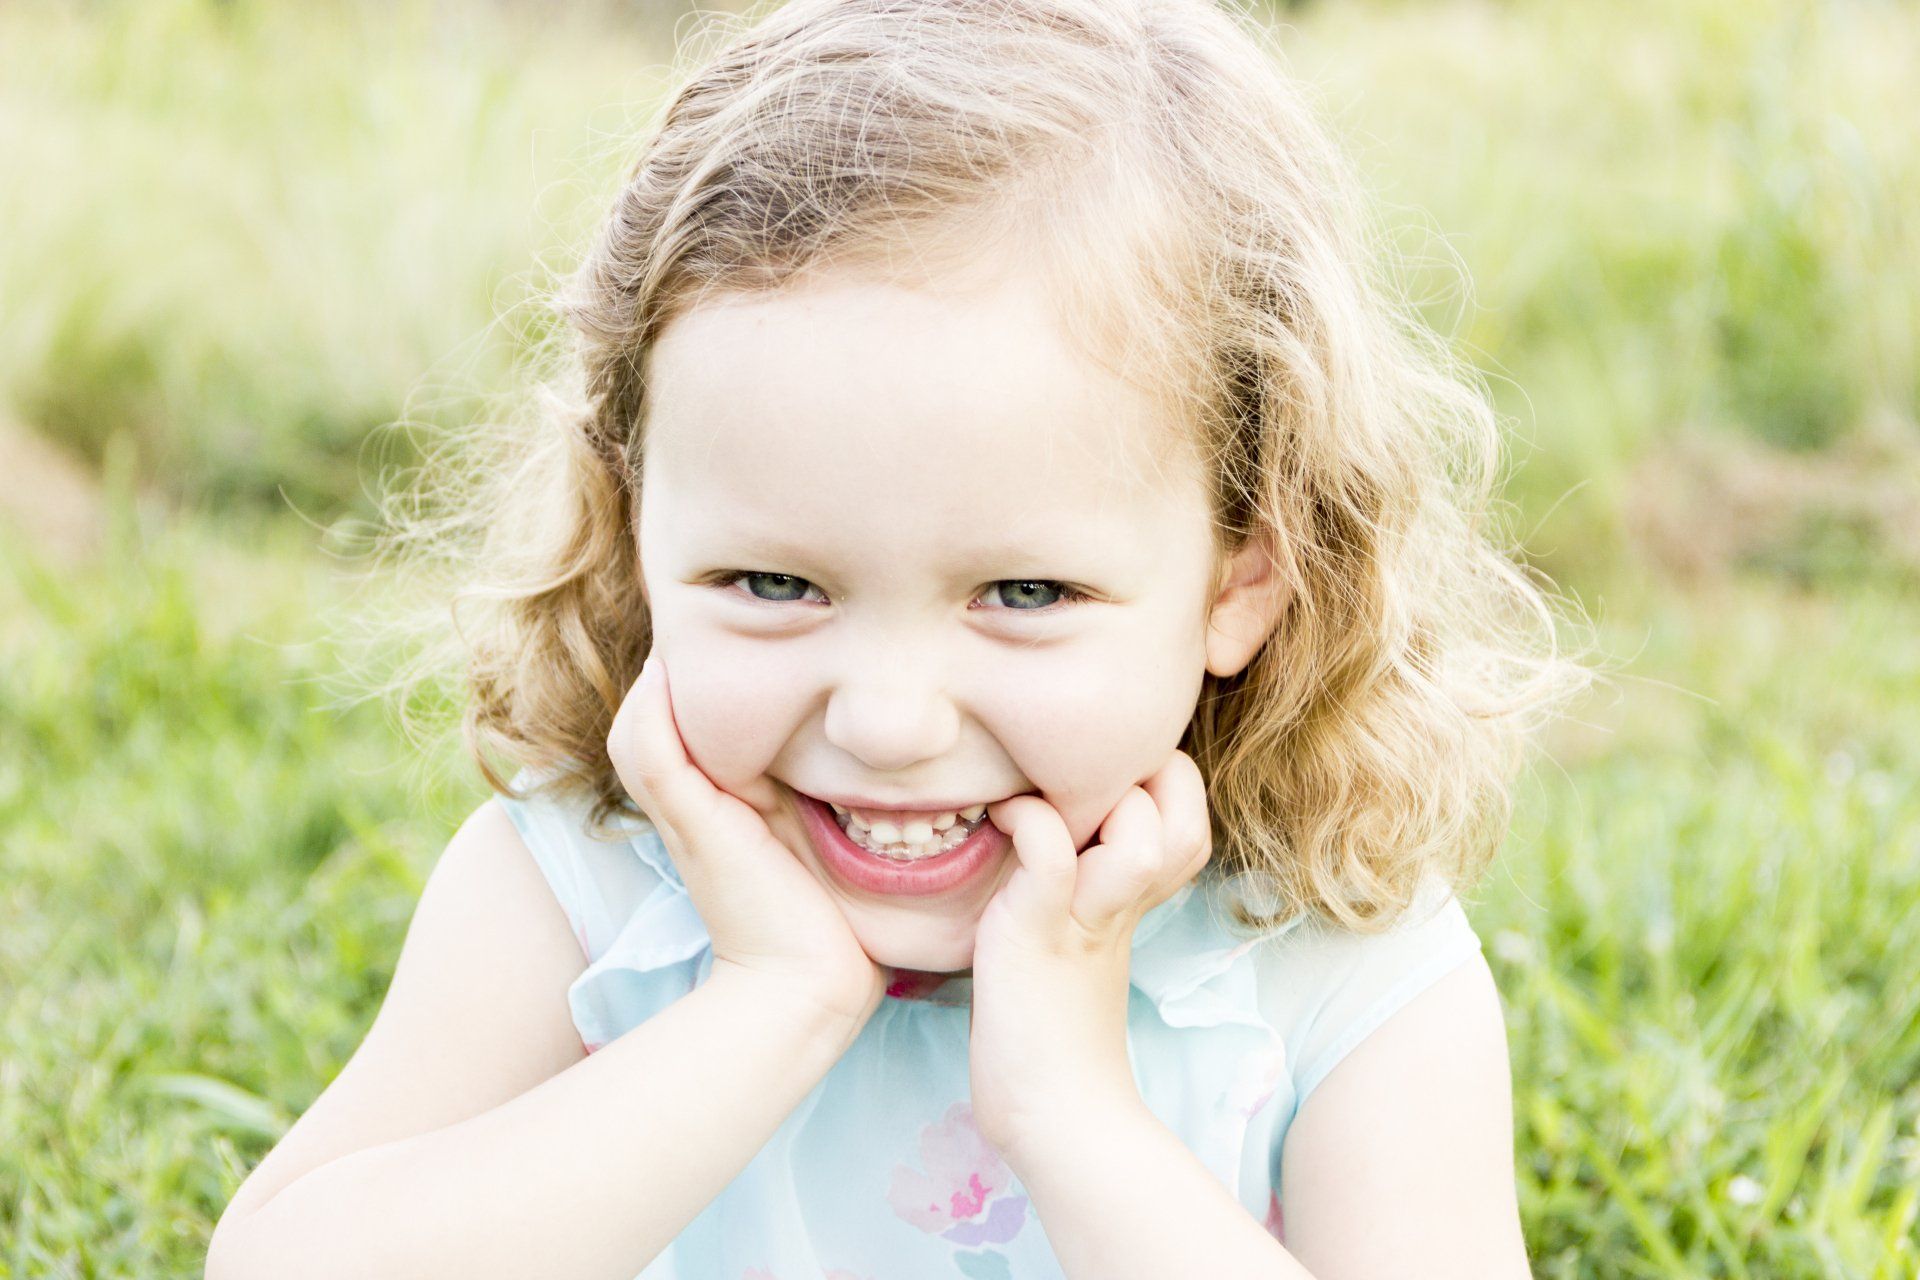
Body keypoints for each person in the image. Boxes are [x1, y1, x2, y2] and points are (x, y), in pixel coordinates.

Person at [207, 0, 1593, 1275]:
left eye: (1025, 596)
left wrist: (1068, 1109)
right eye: (772, 583)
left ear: (1239, 588)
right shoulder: (584, 892)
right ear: (636, 535)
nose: (885, 722)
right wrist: (771, 999)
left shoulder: (1331, 961)